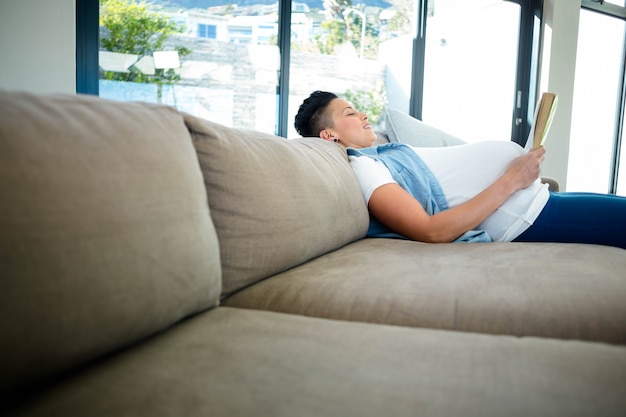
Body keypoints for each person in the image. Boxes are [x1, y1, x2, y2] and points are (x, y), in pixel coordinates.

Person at [294, 90, 626, 249]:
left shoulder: (382, 155)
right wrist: (511, 180)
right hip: (525, 216)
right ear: (329, 134)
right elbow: (430, 230)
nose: (364, 115)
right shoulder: (364, 167)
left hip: (535, 201)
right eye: (351, 114)